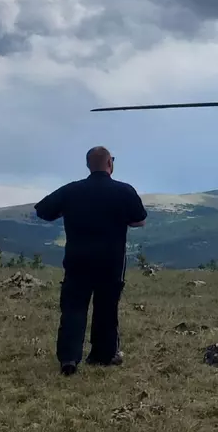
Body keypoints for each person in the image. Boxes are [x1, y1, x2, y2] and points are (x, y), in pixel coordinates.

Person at [33, 146, 147, 376]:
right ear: (109, 164)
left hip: (77, 259)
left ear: (88, 165)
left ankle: (69, 358)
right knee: (106, 308)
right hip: (111, 261)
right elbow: (139, 220)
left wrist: (68, 212)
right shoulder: (124, 191)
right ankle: (103, 356)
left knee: (73, 308)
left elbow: (43, 210)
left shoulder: (72, 190)